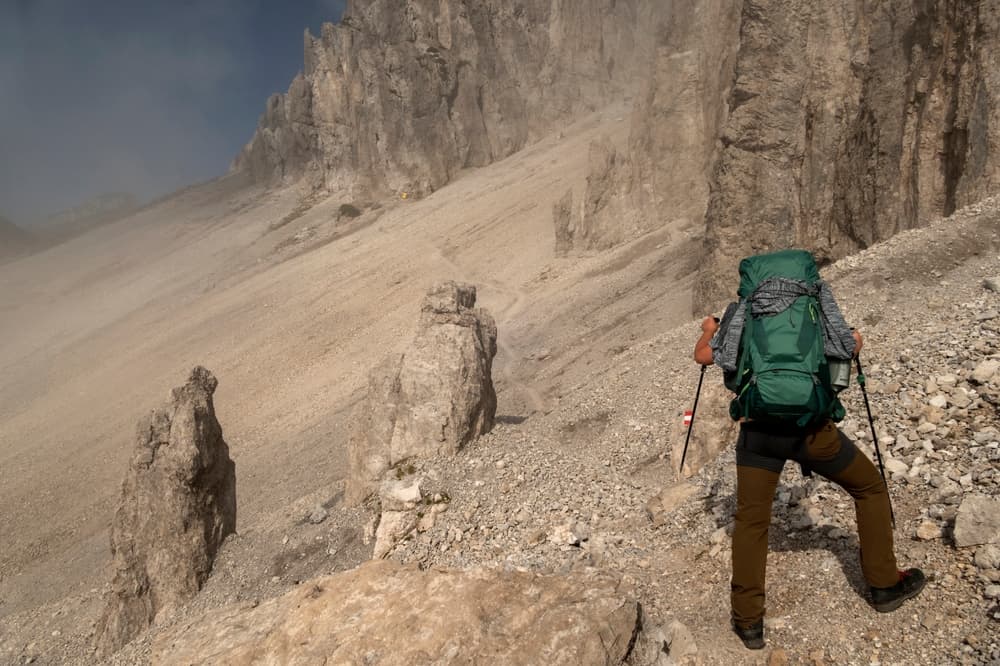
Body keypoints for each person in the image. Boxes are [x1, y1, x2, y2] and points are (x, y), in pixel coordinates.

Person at [694, 315, 926, 650]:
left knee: (751, 523)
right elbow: (850, 347)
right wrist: (856, 337)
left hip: (759, 435)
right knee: (869, 488)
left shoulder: (742, 314)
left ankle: (748, 623)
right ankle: (885, 586)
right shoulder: (813, 309)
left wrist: (710, 331)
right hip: (814, 434)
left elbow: (703, 356)